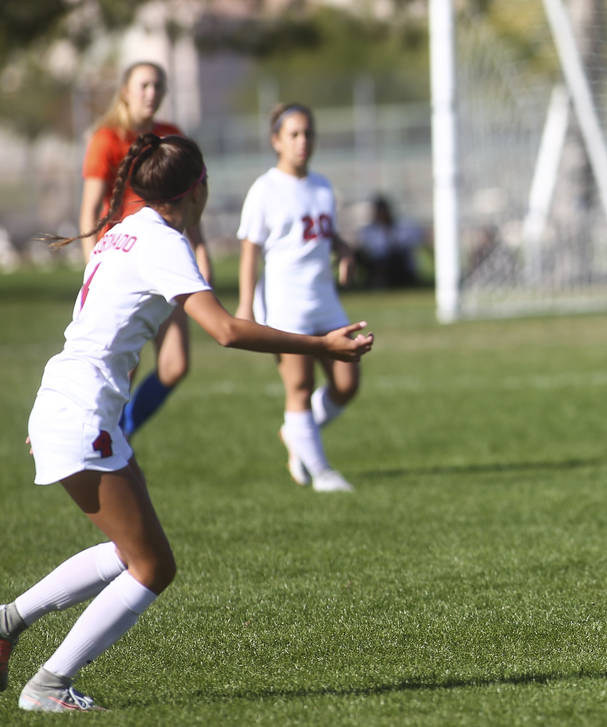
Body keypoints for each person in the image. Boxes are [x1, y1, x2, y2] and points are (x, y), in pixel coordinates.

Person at [0, 133, 373, 712]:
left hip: (69, 402)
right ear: (197, 187)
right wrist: (320, 344)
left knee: (131, 552)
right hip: (81, 411)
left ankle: (8, 623)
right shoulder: (163, 243)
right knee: (152, 567)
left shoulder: (121, 230)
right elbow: (224, 330)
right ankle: (48, 685)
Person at [79, 61, 212, 439]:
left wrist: (201, 255)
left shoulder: (170, 135)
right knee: (123, 369)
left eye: (158, 86)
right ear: (125, 91)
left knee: (175, 365)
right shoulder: (106, 138)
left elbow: (190, 204)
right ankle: (106, 437)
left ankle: (121, 432)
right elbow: (89, 210)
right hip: (127, 264)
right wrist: (96, 269)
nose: (151, 93)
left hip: (168, 261)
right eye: (143, 86)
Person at [236, 103, 363, 493]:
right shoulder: (265, 189)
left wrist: (345, 250)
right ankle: (321, 472)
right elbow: (250, 250)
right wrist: (244, 306)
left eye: (308, 133)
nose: (302, 141)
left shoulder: (322, 187)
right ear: (276, 140)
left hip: (324, 299)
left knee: (347, 383)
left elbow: (322, 234)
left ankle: (297, 433)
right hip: (284, 302)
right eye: (293, 134)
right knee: (300, 387)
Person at [354, 193, 426, 288]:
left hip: (398, 266)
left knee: (394, 258)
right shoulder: (369, 230)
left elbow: (407, 245)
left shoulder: (403, 226)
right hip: (376, 265)